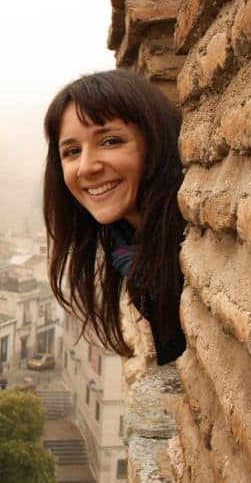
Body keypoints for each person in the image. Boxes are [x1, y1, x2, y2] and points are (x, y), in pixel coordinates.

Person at [43, 69, 187, 366]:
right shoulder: (133, 257)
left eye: (110, 141)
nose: (86, 167)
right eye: (71, 151)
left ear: (154, 141)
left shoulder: (190, 248)